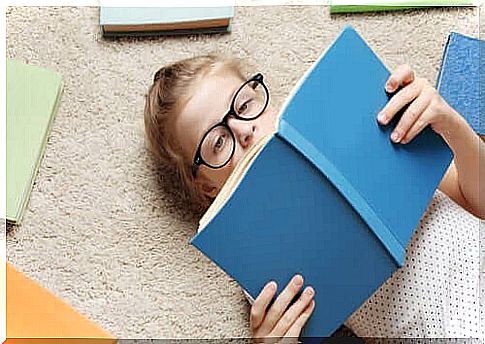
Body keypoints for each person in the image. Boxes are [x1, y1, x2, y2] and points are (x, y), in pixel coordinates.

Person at [144, 54, 484, 340]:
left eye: (245, 104)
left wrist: (450, 124)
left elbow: (478, 203)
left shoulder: (364, 126)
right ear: (209, 187)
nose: (244, 130)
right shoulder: (260, 268)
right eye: (217, 142)